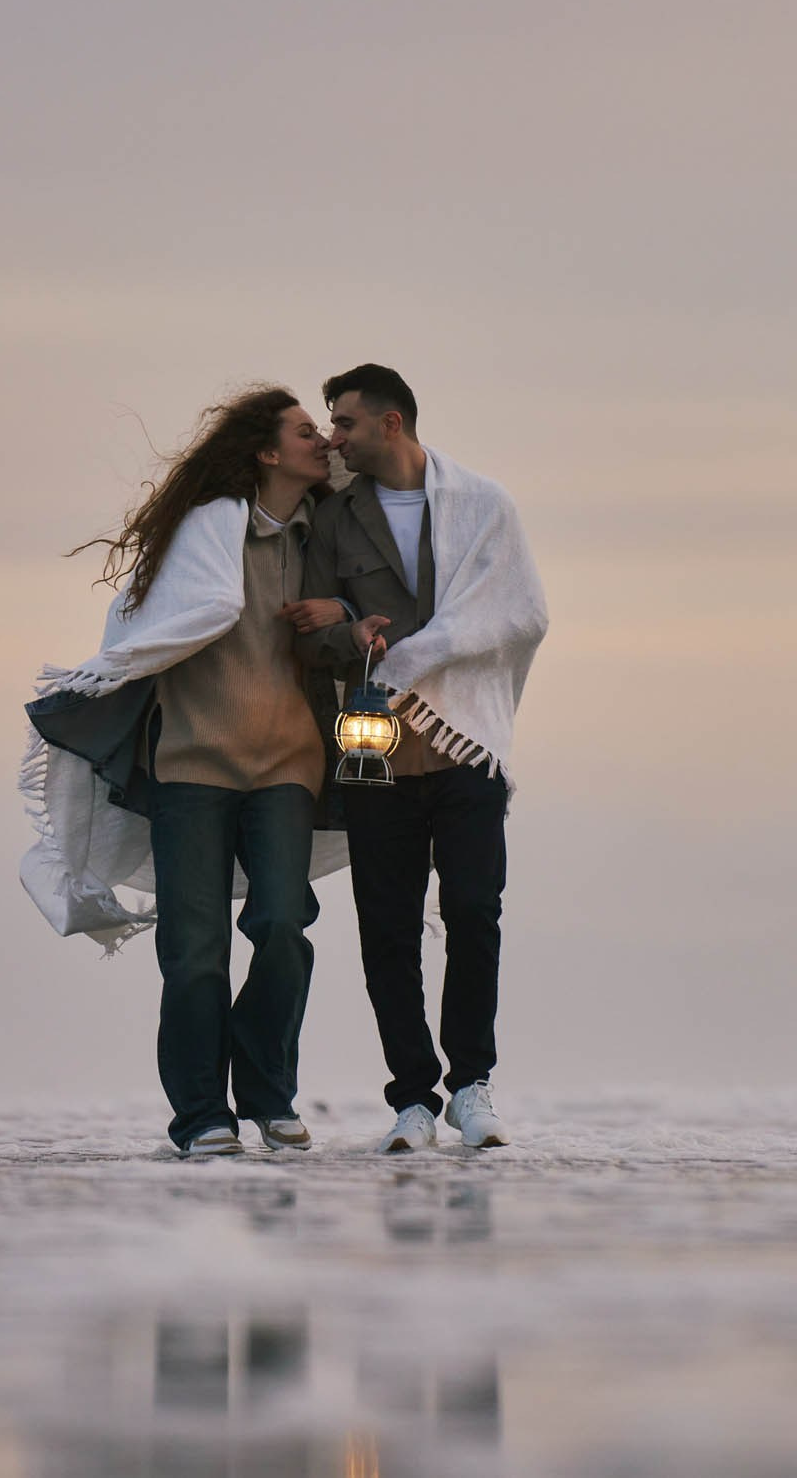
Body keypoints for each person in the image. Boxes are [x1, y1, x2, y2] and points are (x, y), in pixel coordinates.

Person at [24, 386, 344, 1159]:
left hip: (288, 763)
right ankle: (202, 1113)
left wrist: (341, 613)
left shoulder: (330, 533)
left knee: (280, 924)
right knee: (194, 948)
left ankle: (268, 1091)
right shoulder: (204, 533)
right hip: (191, 762)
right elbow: (162, 623)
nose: (324, 441)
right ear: (267, 453)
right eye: (307, 432)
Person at [287, 365, 548, 1152]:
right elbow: (311, 628)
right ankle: (412, 1098)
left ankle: (471, 1085)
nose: (334, 438)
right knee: (387, 932)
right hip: (375, 749)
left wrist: (411, 647)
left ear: (391, 422)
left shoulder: (482, 505)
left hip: (466, 746)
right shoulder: (335, 520)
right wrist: (349, 631)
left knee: (474, 911)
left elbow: (521, 612)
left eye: (345, 423)